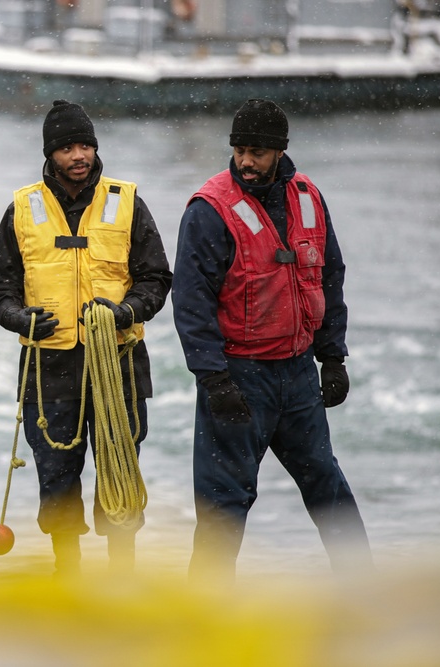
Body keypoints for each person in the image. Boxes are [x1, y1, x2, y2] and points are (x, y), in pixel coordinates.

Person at [172, 98, 372, 582]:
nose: (246, 161)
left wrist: (333, 357)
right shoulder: (209, 210)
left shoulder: (309, 198)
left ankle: (366, 594)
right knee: (224, 505)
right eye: (239, 150)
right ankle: (205, 614)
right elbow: (191, 301)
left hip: (299, 373)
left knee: (328, 487)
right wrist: (213, 379)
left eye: (257, 152)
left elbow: (329, 278)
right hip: (239, 377)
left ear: (280, 152)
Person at [0, 100, 172, 576]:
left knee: (119, 468)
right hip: (49, 367)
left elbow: (156, 278)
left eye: (85, 145)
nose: (79, 155)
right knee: (56, 475)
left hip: (119, 362)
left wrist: (126, 311)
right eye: (67, 148)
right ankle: (68, 571)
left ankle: (121, 574)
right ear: (50, 154)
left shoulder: (127, 203)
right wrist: (18, 318)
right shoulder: (22, 209)